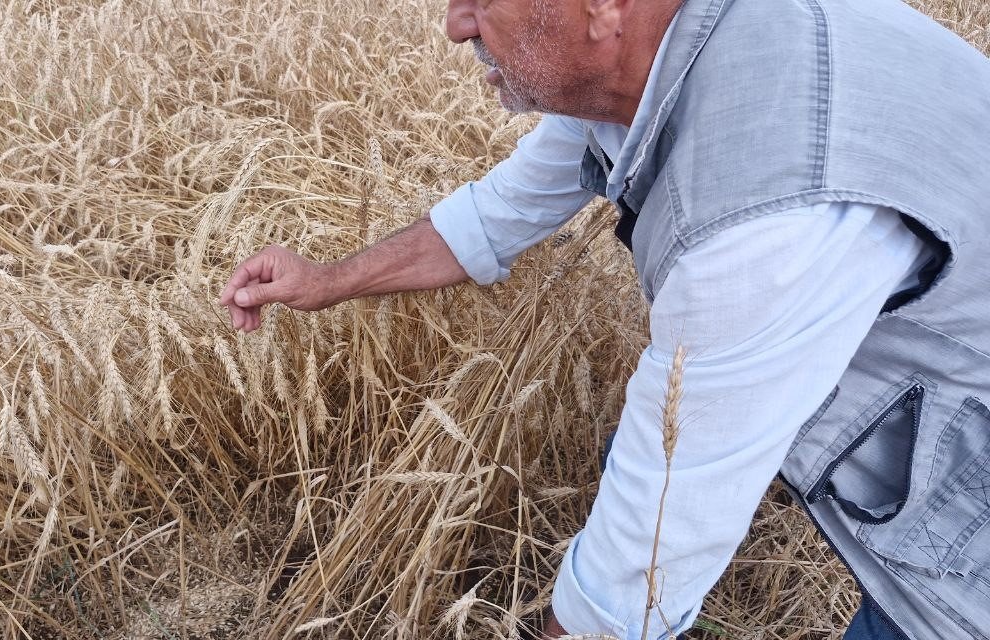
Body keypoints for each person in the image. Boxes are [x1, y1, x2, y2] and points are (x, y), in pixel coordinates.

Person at [219, 0, 990, 637]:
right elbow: (497, 214)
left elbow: (649, 558)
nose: (456, 24)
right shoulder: (660, 64)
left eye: (482, 1)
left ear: (602, 9)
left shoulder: (762, 218)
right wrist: (327, 281)